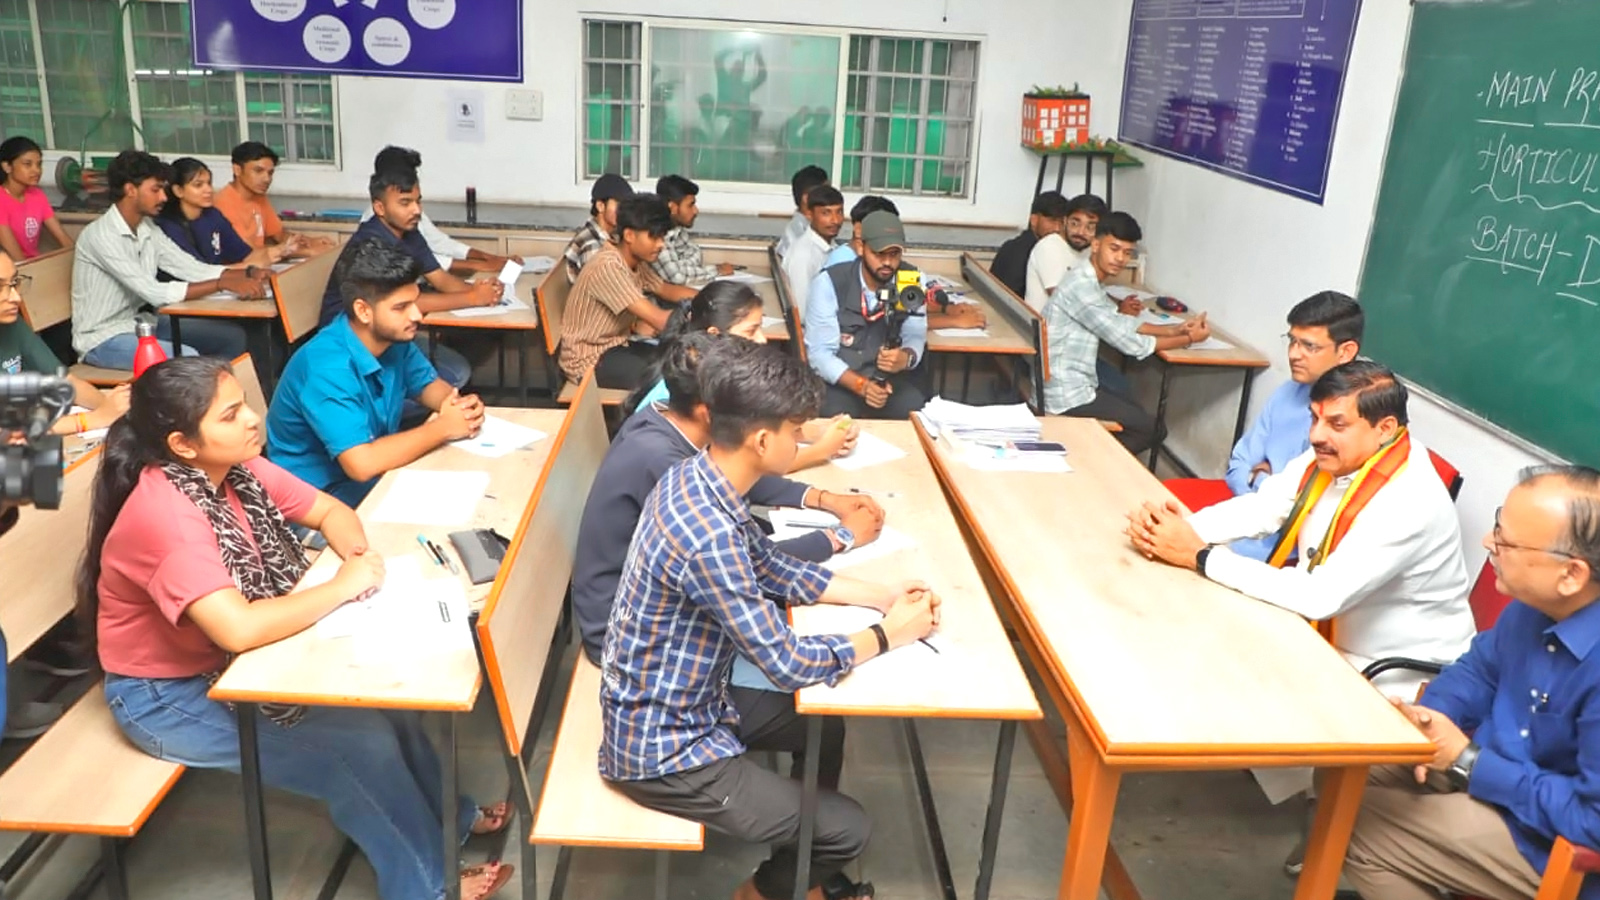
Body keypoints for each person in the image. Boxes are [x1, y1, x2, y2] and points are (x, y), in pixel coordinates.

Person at [78, 356, 513, 900]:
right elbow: (237, 630)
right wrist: (341, 586)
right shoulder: (165, 514)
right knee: (357, 750)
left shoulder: (236, 469)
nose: (253, 420)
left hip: (229, 662)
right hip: (167, 695)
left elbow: (330, 511)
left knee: (391, 708)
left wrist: (360, 560)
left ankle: (454, 816)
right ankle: (429, 887)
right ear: (183, 444)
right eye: (231, 414)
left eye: (245, 406)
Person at [600, 338, 938, 900]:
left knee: (824, 725)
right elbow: (785, 662)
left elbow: (770, 567)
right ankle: (762, 893)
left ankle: (795, 868)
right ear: (761, 440)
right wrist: (889, 634)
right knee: (850, 829)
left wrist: (879, 594)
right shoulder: (706, 532)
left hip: (689, 702)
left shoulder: (699, 478)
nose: (804, 437)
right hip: (663, 752)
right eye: (796, 428)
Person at [1127, 361, 1475, 699]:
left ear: (1384, 428)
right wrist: (1177, 531)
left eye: (1336, 424)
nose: (1316, 435)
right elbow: (1263, 507)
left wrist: (1199, 555)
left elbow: (1320, 596)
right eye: (1315, 417)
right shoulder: (1337, 453)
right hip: (1327, 630)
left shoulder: (1410, 500)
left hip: (1392, 672)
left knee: (1222, 674)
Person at [1343, 465, 1600, 900]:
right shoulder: (1533, 606)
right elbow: (1478, 670)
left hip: (1551, 843)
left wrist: (1467, 761)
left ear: (1571, 574)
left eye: (1505, 540)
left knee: (1360, 828)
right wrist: (1431, 719)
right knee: (1346, 767)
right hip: (1500, 779)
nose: (1487, 543)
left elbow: (1591, 822)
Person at [268, 238, 486, 509]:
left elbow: (433, 389)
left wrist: (460, 408)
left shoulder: (392, 339)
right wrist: (443, 427)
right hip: (318, 502)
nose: (417, 315)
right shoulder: (326, 368)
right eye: (401, 307)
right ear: (363, 311)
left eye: (415, 301)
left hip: (368, 479)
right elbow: (362, 464)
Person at [627, 282, 860, 470]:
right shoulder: (693, 389)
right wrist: (822, 450)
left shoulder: (712, 373)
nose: (762, 339)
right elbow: (745, 464)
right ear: (715, 335)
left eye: (761, 327)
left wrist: (818, 433)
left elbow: (753, 432)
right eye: (750, 331)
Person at [72, 151, 265, 369]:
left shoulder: (147, 229)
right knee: (187, 357)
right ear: (130, 190)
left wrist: (246, 273)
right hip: (101, 339)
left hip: (139, 325)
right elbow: (154, 293)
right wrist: (222, 283)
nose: (163, 197)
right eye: (155, 190)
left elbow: (191, 268)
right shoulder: (101, 236)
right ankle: (198, 401)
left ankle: (222, 400)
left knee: (232, 337)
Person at [1041, 211, 1207, 454]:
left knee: (1129, 400)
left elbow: (1118, 320)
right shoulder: (1082, 289)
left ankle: (1095, 461)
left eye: (1127, 253)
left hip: (1069, 380)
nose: (1120, 258)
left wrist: (1176, 328)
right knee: (1153, 429)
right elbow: (1130, 343)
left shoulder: (1087, 278)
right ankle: (1091, 466)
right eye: (1114, 248)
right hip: (1066, 393)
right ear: (1096, 245)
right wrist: (1190, 339)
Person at [317, 164, 493, 392]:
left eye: (418, 201)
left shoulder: (410, 233)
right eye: (405, 203)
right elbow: (408, 303)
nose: (416, 210)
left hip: (386, 330)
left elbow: (439, 278)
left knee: (466, 352)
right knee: (456, 373)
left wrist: (480, 290)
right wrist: (473, 298)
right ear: (379, 207)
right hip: (354, 340)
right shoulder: (371, 243)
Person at [1223, 292, 1363, 560]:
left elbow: (1305, 510)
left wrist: (1260, 478)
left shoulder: (1355, 419)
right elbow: (1238, 465)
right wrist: (1265, 483)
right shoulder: (1287, 393)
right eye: (1292, 341)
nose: (1293, 354)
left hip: (1287, 556)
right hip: (1244, 522)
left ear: (1345, 352)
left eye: (1309, 347)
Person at [804, 211, 929, 420]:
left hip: (890, 381)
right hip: (842, 380)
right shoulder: (831, 282)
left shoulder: (909, 279)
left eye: (895, 254)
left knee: (914, 408)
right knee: (836, 414)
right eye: (879, 254)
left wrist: (906, 358)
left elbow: (915, 334)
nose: (888, 263)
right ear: (861, 248)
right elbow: (820, 353)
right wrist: (861, 386)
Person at [558, 193, 679, 389]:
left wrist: (708, 297)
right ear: (630, 235)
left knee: (674, 361)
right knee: (672, 377)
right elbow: (660, 320)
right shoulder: (608, 267)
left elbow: (666, 289)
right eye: (654, 237)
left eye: (663, 237)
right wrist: (708, 317)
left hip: (615, 346)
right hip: (588, 361)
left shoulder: (631, 260)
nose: (661, 244)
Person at [0, 250, 128, 435]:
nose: (15, 298)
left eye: (15, 283)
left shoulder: (12, 324)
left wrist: (112, 408)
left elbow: (63, 380)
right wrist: (95, 419)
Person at [823, 195, 986, 331]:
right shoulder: (844, 263)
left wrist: (947, 309)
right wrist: (954, 321)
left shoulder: (881, 264)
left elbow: (904, 306)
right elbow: (882, 322)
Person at [365, 146, 523, 275]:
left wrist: (489, 258)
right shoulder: (375, 227)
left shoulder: (411, 213)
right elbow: (420, 261)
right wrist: (479, 266)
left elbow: (439, 243)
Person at [155, 158, 304, 269]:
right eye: (198, 185)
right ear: (178, 191)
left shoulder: (213, 215)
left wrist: (282, 250)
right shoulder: (168, 226)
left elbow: (246, 255)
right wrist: (250, 267)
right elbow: (199, 274)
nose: (208, 190)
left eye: (209, 183)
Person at [213, 141, 329, 252]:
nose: (266, 179)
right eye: (258, 171)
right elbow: (248, 251)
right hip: (240, 269)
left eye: (270, 173)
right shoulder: (223, 203)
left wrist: (311, 242)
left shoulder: (258, 196)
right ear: (237, 170)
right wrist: (309, 252)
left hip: (262, 264)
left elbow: (279, 235)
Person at [1024, 193, 1107, 312]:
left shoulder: (1089, 248)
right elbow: (1063, 300)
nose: (1080, 232)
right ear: (1065, 221)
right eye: (1075, 223)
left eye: (1090, 227)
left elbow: (1094, 293)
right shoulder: (1049, 246)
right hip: (1046, 327)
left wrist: (1118, 304)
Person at [651, 174, 735, 284]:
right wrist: (717, 270)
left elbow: (696, 253)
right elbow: (678, 277)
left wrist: (681, 266)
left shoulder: (677, 230)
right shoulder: (656, 234)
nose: (696, 211)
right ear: (673, 208)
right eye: (690, 205)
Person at [0, 136, 72, 260]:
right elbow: (17, 259)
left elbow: (63, 238)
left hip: (34, 266)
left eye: (39, 164)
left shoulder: (37, 195)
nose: (36, 171)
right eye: (28, 164)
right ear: (7, 167)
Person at [990, 191, 1068, 298]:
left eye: (1062, 223)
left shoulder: (1012, 244)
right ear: (1034, 220)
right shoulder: (1029, 251)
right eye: (1052, 221)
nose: (1057, 228)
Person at [780, 184, 844, 314]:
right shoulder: (803, 256)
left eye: (839, 212)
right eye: (826, 213)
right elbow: (802, 313)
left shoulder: (833, 247)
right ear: (809, 214)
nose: (835, 220)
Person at [564, 173, 634, 283]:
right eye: (619, 205)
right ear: (600, 206)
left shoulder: (611, 235)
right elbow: (608, 289)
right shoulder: (590, 244)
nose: (625, 211)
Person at [775, 165, 829, 258]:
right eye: (826, 193)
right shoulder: (799, 234)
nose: (831, 198)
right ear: (806, 198)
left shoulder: (810, 227)